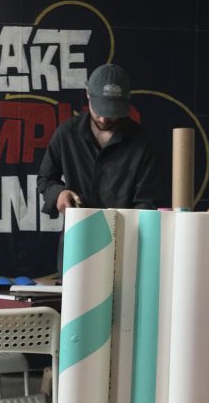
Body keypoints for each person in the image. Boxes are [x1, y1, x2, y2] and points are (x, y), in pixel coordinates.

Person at [37, 63, 161, 271]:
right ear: (88, 95)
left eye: (112, 112)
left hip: (124, 250)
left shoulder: (142, 143)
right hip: (76, 246)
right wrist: (59, 194)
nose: (104, 118)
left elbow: (147, 203)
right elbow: (45, 179)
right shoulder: (67, 134)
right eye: (99, 109)